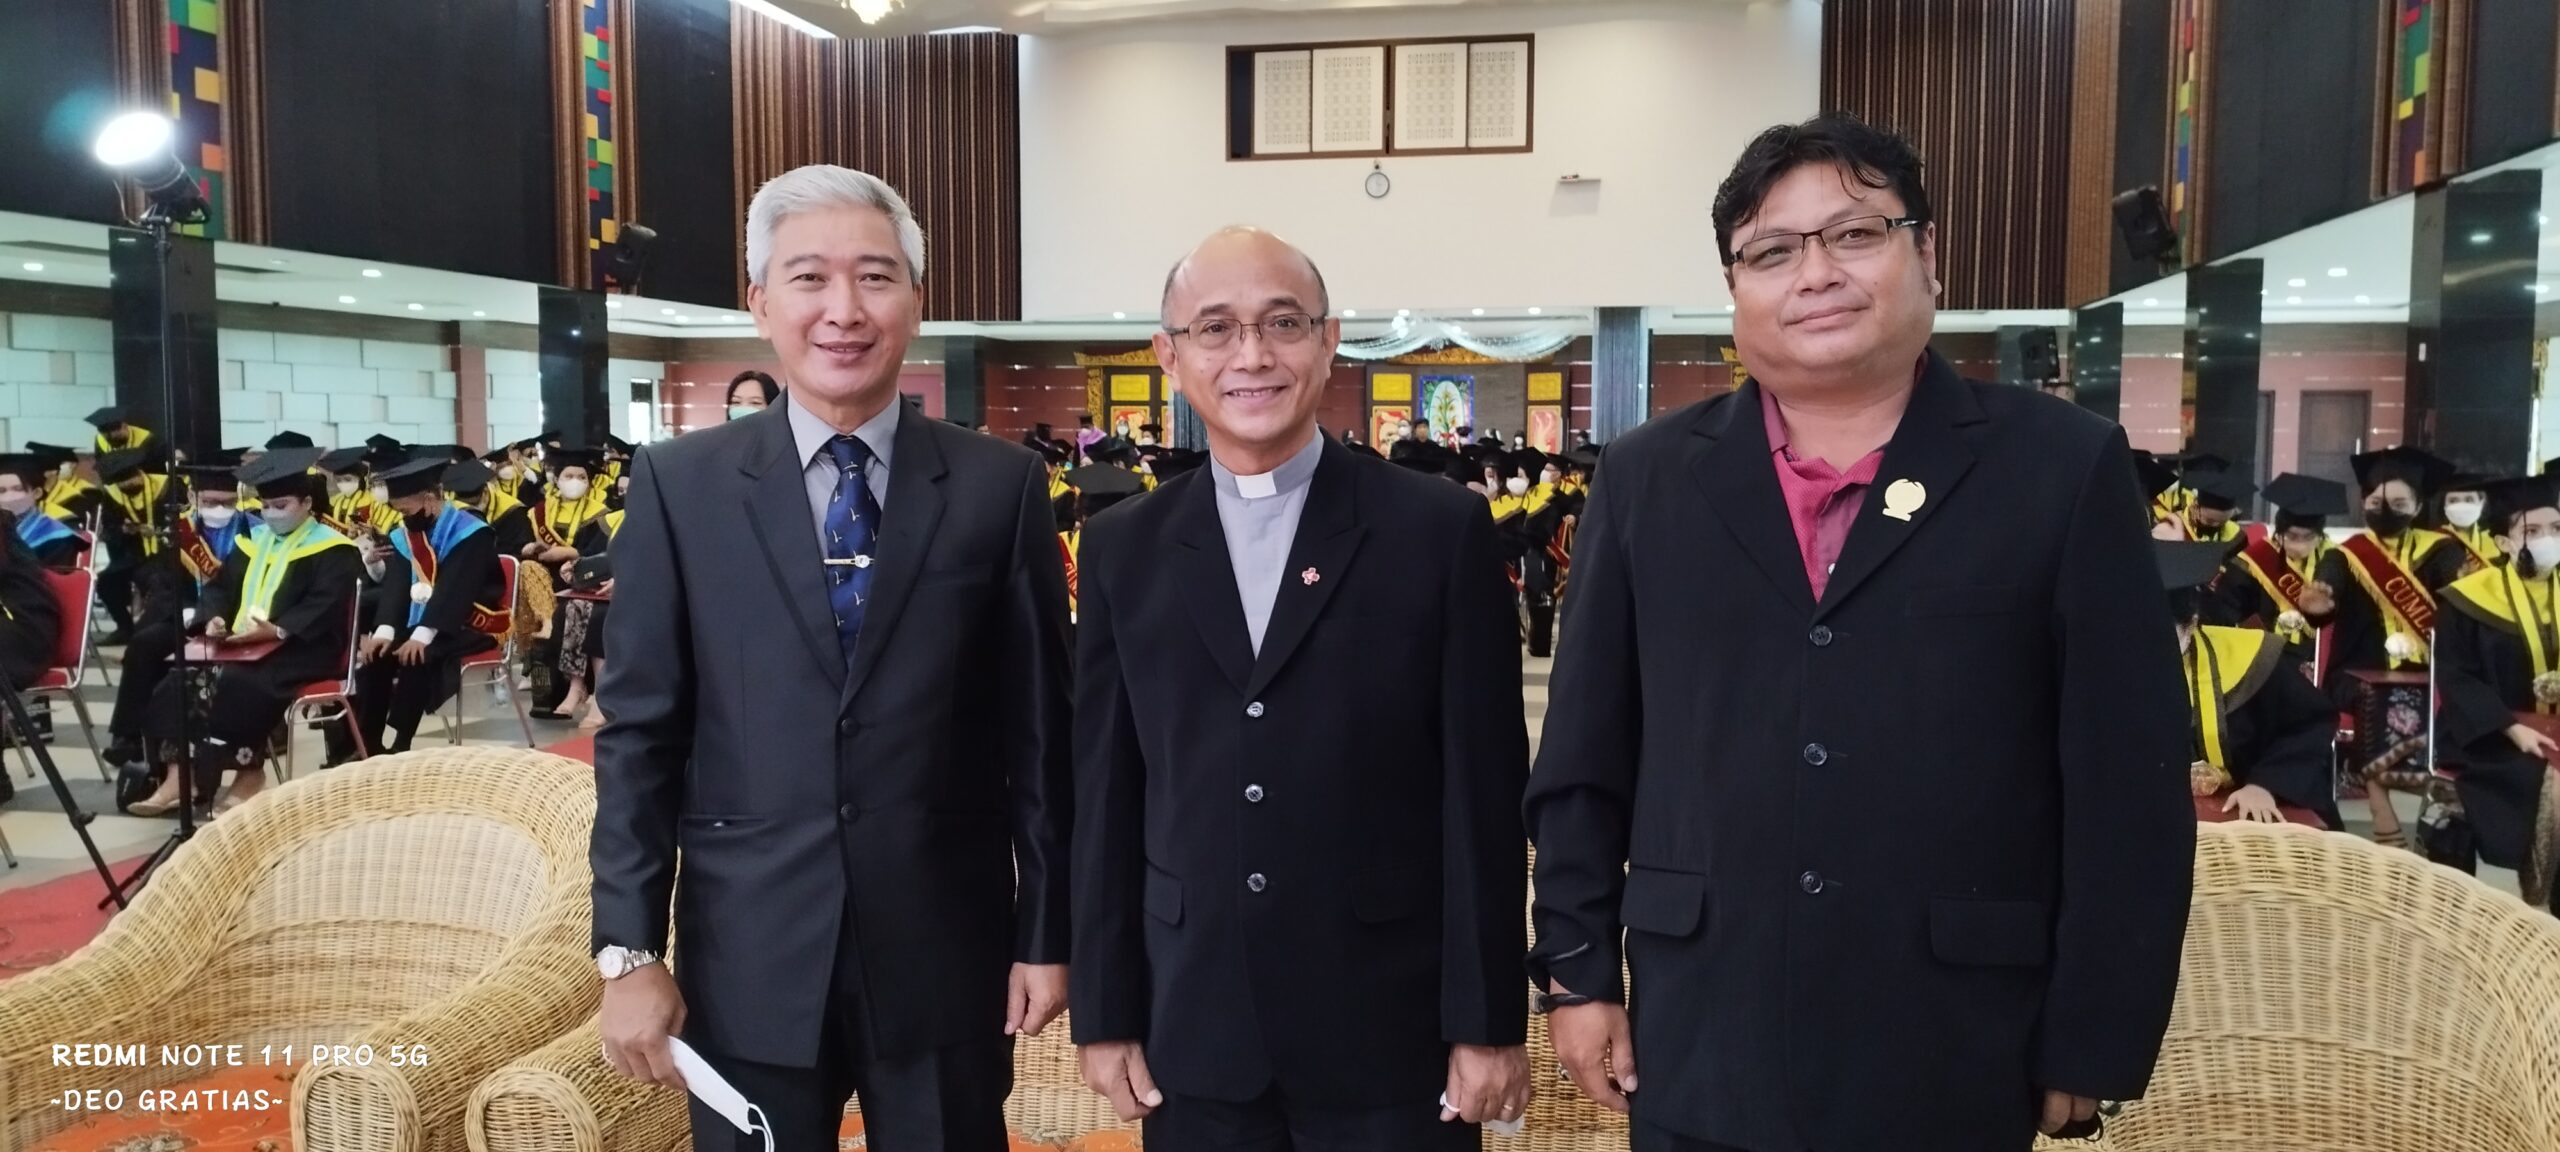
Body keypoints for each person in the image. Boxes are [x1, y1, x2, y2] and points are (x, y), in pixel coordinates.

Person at [1523, 114, 2193, 1152]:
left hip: (1954, 1043)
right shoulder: (1647, 477)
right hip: (1699, 1033)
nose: (1815, 274)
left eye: (1854, 234)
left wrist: (2092, 1033)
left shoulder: (2059, 468)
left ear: (1927, 253)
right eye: (1771, 252)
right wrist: (1575, 974)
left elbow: (2127, 787)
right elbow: (1583, 761)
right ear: (1735, 287)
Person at [593, 164, 1073, 1152]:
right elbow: (640, 736)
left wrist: (1048, 932)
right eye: (809, 277)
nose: (844, 310)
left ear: (916, 300)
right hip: (748, 958)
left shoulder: (1001, 486)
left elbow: (1040, 739)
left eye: (875, 277)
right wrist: (628, 950)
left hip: (946, 952)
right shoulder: (681, 486)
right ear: (760, 301)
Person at [1069, 226, 1530, 1150]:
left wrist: (1486, 1021)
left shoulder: (1436, 531)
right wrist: (1105, 1009)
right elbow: (1108, 797)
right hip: (1193, 1022)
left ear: (1329, 340)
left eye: (1282, 323)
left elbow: (1483, 796)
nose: (1251, 356)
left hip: (1389, 1029)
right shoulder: (1126, 546)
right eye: (1215, 329)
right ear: (1169, 356)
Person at [128, 448, 362, 817]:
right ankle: (179, 777)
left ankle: (248, 775)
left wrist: (278, 630)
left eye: (281, 505)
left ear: (305, 503)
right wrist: (214, 619)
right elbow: (220, 588)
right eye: (265, 505)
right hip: (245, 644)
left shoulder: (334, 548)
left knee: (237, 681)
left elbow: (326, 603)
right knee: (183, 676)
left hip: (304, 647)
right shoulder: (254, 541)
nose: (271, 513)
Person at [2430, 474, 2560, 912]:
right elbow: (2458, 678)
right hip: (2492, 737)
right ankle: (2539, 903)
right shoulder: (2467, 600)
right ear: (2504, 543)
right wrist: (2511, 728)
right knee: (2549, 782)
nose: (2548, 539)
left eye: (2556, 528)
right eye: (2533, 531)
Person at [2160, 540, 2342, 830]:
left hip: (2251, 819)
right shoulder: (2100, 673)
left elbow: (2310, 724)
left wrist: (2266, 784)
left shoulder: (2253, 660)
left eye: (2160, 635)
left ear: (2192, 623)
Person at [102, 461, 251, 772]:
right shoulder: (182, 531)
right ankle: (128, 736)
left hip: (236, 618)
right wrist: (187, 613)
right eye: (210, 502)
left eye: (227, 503)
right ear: (194, 497)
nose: (219, 509)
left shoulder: (252, 528)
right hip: (186, 614)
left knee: (180, 665)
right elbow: (166, 581)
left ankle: (174, 750)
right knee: (144, 645)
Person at [353, 456, 503, 756]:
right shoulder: (405, 536)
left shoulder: (471, 533)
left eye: (407, 511)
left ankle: (402, 741)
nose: (404, 518)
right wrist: (384, 631)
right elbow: (397, 585)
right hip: (427, 616)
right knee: (377, 656)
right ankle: (368, 742)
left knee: (417, 656)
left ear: (431, 499)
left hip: (470, 620)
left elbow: (456, 589)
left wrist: (422, 636)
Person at [2212, 473, 2343, 661]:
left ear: (2320, 535)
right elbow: (2227, 614)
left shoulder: (2336, 560)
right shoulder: (2253, 560)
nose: (2300, 545)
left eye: (2309, 537)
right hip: (2264, 656)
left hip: (2318, 658)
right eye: (2292, 536)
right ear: (2279, 533)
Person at [93, 446, 182, 645]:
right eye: (121, 484)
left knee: (153, 578)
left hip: (167, 552)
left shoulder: (168, 486)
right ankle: (124, 628)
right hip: (133, 554)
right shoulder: (112, 495)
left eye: (130, 481)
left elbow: (184, 518)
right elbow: (109, 529)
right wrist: (124, 530)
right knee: (106, 582)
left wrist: (159, 529)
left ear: (139, 473)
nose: (126, 486)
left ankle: (152, 629)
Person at [0, 456, 82, 568]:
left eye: (18, 489)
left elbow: (52, 577)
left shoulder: (58, 538)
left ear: (37, 493)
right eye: (1, 491)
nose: (9, 497)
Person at [2437, 473, 2503, 575]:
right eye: (2453, 501)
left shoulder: (2496, 542)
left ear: (2481, 503)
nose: (2461, 506)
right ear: (2444, 506)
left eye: (2469, 500)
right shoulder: (2435, 542)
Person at [85, 406, 154, 456]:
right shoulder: (99, 439)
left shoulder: (146, 439)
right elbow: (101, 463)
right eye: (108, 438)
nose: (111, 437)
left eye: (117, 436)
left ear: (125, 426)